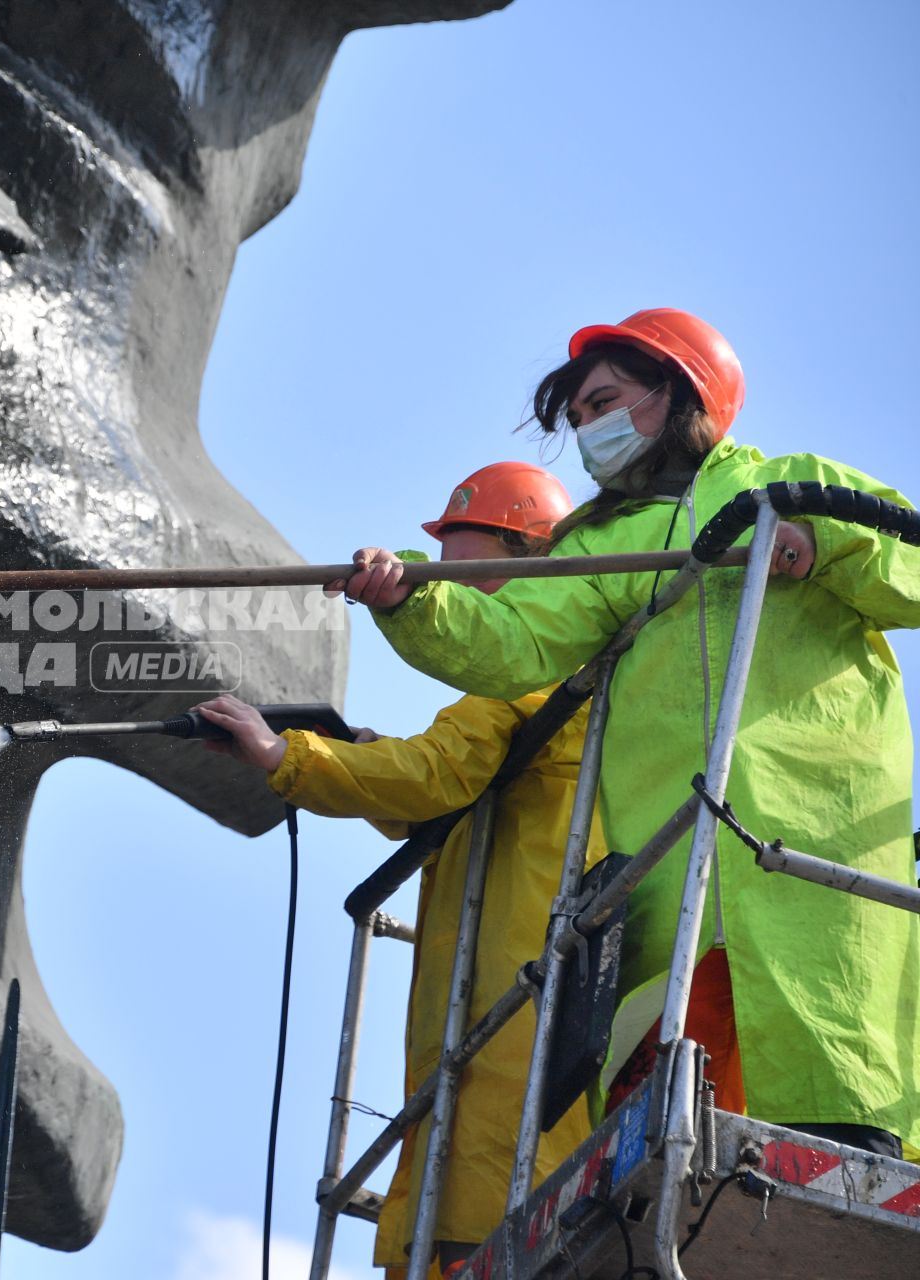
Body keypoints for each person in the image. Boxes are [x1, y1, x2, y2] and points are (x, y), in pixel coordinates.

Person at [335, 308, 920, 1159]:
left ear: (678, 392)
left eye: (602, 401)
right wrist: (410, 597)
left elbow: (911, 564)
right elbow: (513, 642)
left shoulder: (794, 481)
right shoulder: (610, 547)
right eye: (577, 417)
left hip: (821, 858)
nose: (589, 428)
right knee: (682, 1134)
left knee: (836, 1097)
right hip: (671, 867)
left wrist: (814, 539)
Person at [198, 462, 605, 1277]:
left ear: (526, 559)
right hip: (509, 980)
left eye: (460, 563)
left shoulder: (532, 662)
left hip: (514, 984)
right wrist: (355, 751)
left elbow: (436, 777)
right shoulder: (555, 672)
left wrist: (287, 754)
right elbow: (446, 788)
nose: (443, 584)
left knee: (492, 1188)